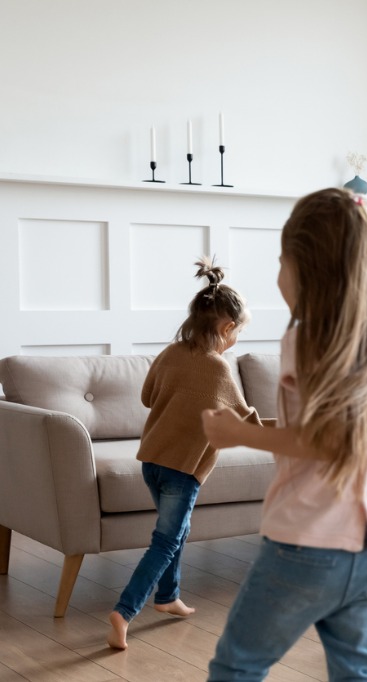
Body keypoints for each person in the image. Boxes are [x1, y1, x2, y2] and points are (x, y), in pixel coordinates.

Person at [202, 188, 367, 681]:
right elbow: (332, 432)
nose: (278, 275)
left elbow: (326, 442)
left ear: (306, 266)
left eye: (281, 261)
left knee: (236, 667)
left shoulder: (307, 336)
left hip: (307, 543)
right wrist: (259, 428)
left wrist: (236, 434)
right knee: (358, 673)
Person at [107, 257, 260, 650]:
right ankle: (124, 611)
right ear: (228, 328)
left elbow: (146, 397)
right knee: (166, 540)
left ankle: (167, 597)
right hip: (183, 469)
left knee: (176, 531)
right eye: (238, 332)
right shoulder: (220, 370)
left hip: (152, 460)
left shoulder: (171, 352)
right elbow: (246, 422)